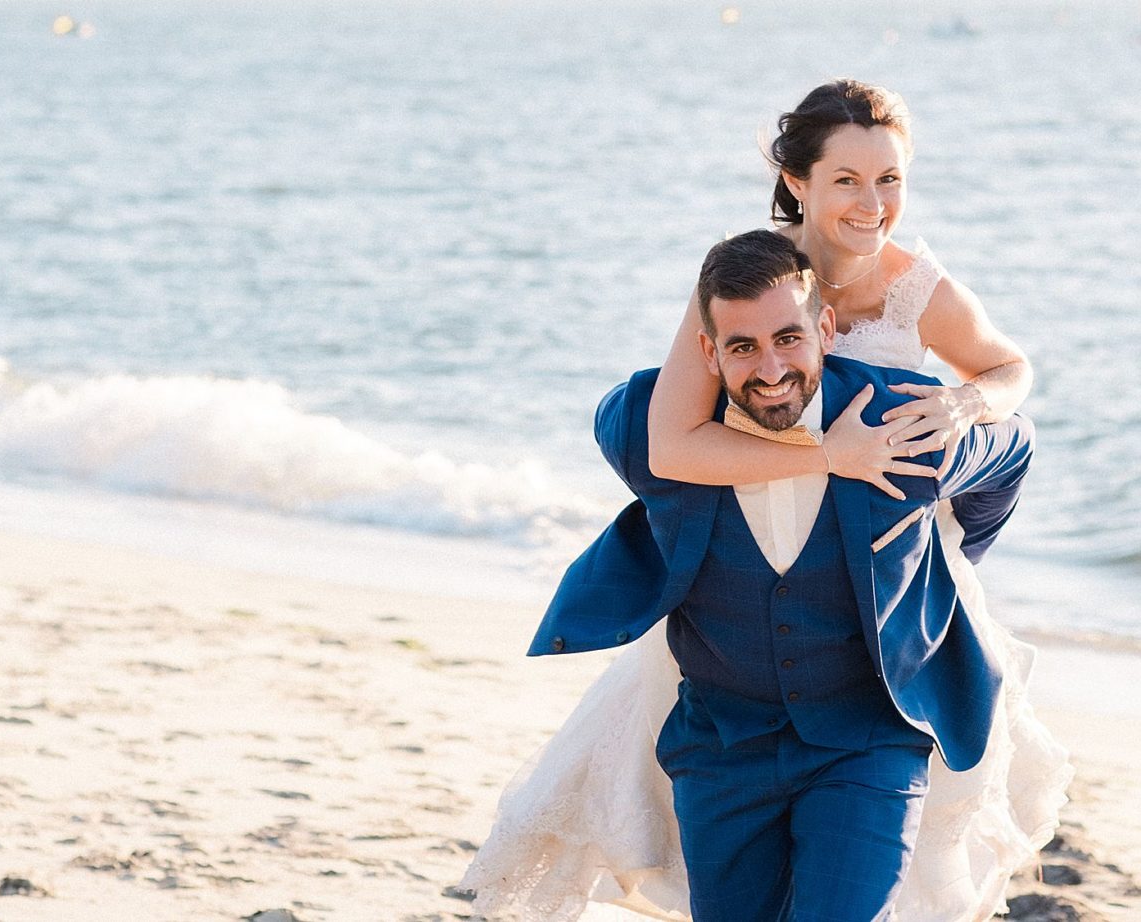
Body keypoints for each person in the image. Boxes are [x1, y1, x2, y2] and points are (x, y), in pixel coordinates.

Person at [458, 81, 1069, 921]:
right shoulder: (748, 274)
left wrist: (966, 408)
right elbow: (671, 442)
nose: (872, 204)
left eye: (890, 180)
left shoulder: (916, 286)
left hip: (877, 557)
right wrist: (828, 453)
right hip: (749, 597)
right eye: (848, 180)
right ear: (799, 182)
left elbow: (1011, 375)